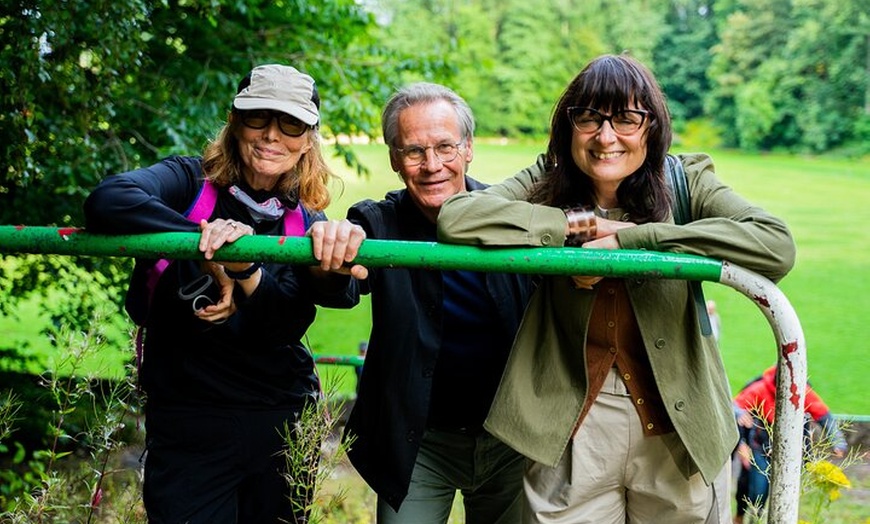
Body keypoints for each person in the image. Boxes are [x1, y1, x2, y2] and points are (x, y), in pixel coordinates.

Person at [436, 54, 797, 524]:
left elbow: (775, 244)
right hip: (569, 429)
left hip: (679, 426)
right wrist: (572, 229)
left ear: (652, 126)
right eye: (589, 118)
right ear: (570, 125)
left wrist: (633, 241)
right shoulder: (547, 178)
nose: (606, 137)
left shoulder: (685, 181)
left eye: (626, 118)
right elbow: (457, 217)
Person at [83, 64, 365, 524]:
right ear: (236, 122)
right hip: (188, 420)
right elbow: (107, 200)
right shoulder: (187, 183)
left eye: (290, 123)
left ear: (308, 139)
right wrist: (205, 241)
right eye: (259, 118)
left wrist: (244, 267)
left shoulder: (305, 223)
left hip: (279, 420)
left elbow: (283, 327)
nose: (272, 135)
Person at [309, 82, 532, 523]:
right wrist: (328, 256)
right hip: (418, 442)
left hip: (510, 439)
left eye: (445, 147)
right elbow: (339, 285)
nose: (432, 165)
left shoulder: (513, 215)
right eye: (414, 151)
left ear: (468, 149)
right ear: (394, 159)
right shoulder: (377, 223)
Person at [732, 365, 847, 523]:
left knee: (787, 494)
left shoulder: (802, 391)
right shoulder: (760, 388)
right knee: (758, 492)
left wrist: (838, 441)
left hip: (789, 452)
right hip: (761, 449)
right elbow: (734, 405)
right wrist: (741, 438)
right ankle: (752, 520)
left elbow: (824, 416)